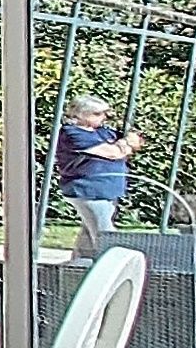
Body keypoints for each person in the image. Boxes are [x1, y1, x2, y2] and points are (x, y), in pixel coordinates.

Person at [53, 95, 142, 252]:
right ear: (81, 114)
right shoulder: (72, 133)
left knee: (89, 235)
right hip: (88, 191)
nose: (104, 117)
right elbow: (113, 152)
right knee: (104, 235)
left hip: (107, 190)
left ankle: (81, 263)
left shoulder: (103, 132)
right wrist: (126, 144)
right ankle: (108, 263)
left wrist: (128, 143)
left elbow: (135, 143)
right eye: (97, 113)